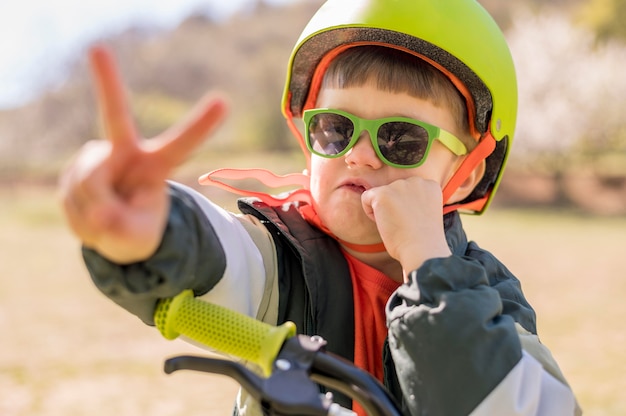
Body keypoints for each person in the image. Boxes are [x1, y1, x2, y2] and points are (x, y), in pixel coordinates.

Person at [59, 0, 581, 414]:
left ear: (465, 170)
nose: (357, 154)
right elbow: (219, 258)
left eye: (401, 140)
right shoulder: (284, 260)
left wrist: (427, 261)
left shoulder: (488, 298)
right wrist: (153, 230)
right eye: (335, 129)